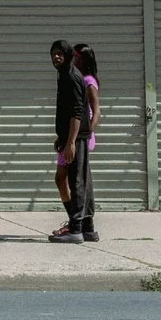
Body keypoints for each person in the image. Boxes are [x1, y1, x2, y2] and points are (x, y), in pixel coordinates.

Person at [49, 39, 89, 243]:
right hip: (69, 137)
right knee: (70, 178)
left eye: (60, 53)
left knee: (76, 181)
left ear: (67, 55)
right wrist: (62, 138)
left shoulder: (72, 77)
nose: (56, 57)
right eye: (53, 54)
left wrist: (71, 142)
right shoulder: (63, 74)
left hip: (77, 137)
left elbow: (76, 112)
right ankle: (85, 227)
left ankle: (76, 229)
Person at [73, 43, 101, 243]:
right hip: (81, 132)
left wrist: (88, 131)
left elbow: (96, 109)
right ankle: (87, 223)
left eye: (77, 57)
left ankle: (82, 222)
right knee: (84, 176)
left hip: (83, 133)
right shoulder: (80, 78)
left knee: (80, 178)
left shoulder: (88, 81)